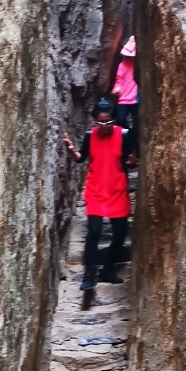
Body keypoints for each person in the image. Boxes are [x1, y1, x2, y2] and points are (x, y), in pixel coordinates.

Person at [63, 98, 134, 295]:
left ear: (114, 119)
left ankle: (107, 269)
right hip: (95, 190)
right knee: (94, 232)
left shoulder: (124, 135)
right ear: (95, 120)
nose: (104, 126)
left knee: (120, 234)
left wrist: (132, 161)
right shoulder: (90, 135)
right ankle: (88, 275)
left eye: (108, 121)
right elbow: (81, 158)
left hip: (117, 189)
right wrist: (71, 150)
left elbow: (131, 161)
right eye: (100, 122)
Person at [111, 35, 139, 156]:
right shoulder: (122, 65)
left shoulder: (139, 65)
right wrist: (116, 89)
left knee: (139, 125)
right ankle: (128, 147)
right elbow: (119, 81)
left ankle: (136, 152)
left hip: (136, 100)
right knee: (120, 121)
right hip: (124, 98)